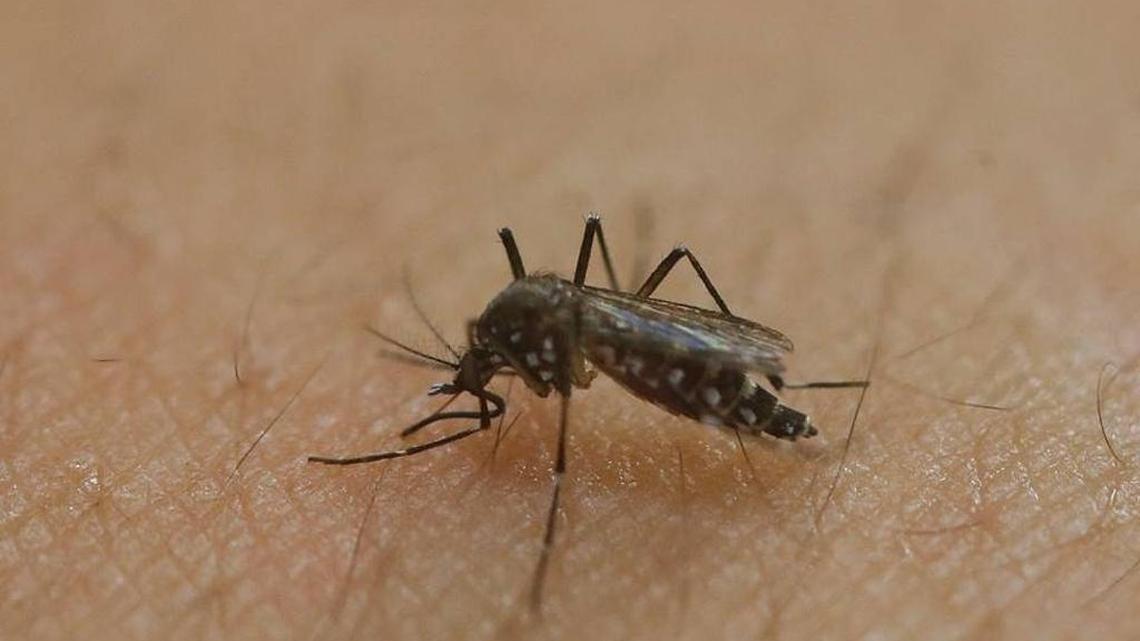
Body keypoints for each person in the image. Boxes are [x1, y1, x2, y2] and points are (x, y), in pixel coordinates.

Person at [2, 3, 1136, 640]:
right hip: (615, 330)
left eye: (473, 370)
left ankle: (721, 423)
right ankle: (766, 388)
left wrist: (547, 478)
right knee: (619, 275)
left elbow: (558, 360)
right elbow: (536, 337)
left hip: (642, 344)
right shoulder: (515, 324)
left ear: (493, 351)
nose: (477, 378)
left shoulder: (530, 335)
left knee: (626, 302)